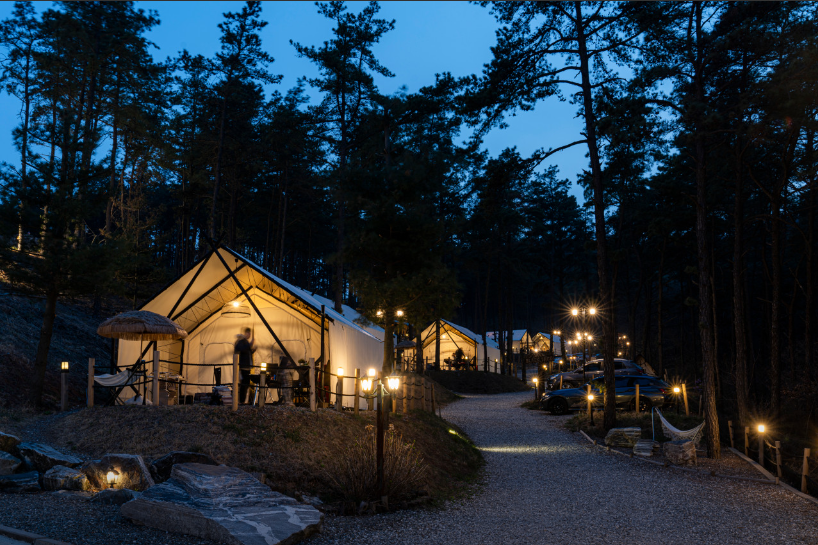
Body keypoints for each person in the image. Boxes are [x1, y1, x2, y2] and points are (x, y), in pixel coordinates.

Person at [234, 328, 256, 403]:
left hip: (247, 366)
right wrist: (250, 344)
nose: (249, 335)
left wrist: (253, 350)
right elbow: (240, 349)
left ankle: (243, 400)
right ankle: (241, 400)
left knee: (246, 384)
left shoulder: (246, 342)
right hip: (244, 367)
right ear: (246, 333)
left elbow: (247, 352)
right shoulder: (242, 341)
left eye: (250, 334)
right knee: (244, 384)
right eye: (248, 333)